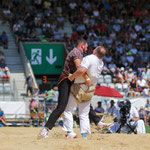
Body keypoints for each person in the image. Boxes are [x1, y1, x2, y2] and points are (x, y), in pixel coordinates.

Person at [39, 39, 101, 138]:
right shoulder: (77, 52)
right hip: (65, 81)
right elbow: (78, 66)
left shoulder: (78, 52)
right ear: (82, 45)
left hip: (70, 81)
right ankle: (45, 130)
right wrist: (87, 78)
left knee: (84, 104)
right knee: (61, 107)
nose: (87, 49)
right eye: (86, 47)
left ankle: (73, 131)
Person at [62, 46, 106, 139]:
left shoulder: (89, 58)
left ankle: (70, 132)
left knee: (68, 109)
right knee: (84, 114)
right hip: (90, 89)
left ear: (95, 51)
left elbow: (81, 70)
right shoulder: (101, 63)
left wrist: (72, 76)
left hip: (79, 86)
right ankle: (84, 135)